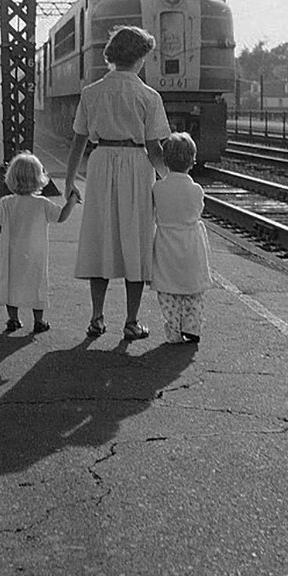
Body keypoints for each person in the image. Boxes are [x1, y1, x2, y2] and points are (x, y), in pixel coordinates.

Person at [63, 24, 170, 340]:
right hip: (136, 166)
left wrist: (70, 182)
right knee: (135, 240)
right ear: (139, 58)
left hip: (100, 164)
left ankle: (97, 318)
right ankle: (131, 321)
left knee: (101, 237)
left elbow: (78, 142)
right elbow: (155, 149)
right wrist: (169, 181)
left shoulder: (90, 93)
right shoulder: (148, 96)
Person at [0, 152, 81, 334]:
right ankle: (39, 321)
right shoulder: (42, 203)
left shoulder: (6, 203)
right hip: (36, 254)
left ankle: (13, 319)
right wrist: (72, 201)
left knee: (11, 284)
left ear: (11, 178)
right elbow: (61, 216)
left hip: (12, 254)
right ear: (38, 178)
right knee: (37, 284)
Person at [151, 132, 212, 344]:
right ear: (192, 161)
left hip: (166, 244)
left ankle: (174, 330)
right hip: (191, 245)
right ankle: (192, 326)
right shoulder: (196, 190)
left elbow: (154, 213)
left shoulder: (158, 188)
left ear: (165, 160)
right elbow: (198, 210)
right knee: (193, 289)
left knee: (168, 291)